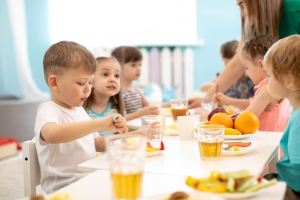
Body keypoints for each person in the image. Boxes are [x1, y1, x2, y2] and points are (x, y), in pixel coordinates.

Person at [34, 41, 128, 193]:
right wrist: (99, 124)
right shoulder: (48, 110)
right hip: (64, 188)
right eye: (81, 83)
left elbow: (97, 143)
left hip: (88, 179)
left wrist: (131, 136)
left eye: (90, 82)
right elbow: (52, 134)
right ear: (54, 83)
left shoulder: (79, 110)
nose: (88, 89)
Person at [189, 0, 300, 109]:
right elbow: (235, 66)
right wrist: (206, 98)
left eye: (242, 6)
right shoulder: (254, 26)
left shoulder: (295, 11)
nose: (242, 14)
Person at [215, 35, 290, 132]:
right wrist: (227, 100)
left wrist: (214, 120)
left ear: (261, 65)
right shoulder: (278, 86)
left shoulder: (267, 90)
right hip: (274, 143)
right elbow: (253, 104)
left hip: (266, 145)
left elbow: (242, 122)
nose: (246, 73)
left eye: (247, 67)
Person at [263, 35, 300, 200]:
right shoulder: (295, 109)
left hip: (291, 190)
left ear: (289, 81)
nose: (266, 80)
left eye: (269, 76)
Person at [83, 56, 142, 136]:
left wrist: (122, 125)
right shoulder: (82, 110)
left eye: (117, 76)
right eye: (105, 74)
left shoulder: (115, 109)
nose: (113, 79)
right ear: (91, 81)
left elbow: (120, 137)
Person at [111, 46, 160, 120]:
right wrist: (142, 113)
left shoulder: (137, 90)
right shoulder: (117, 92)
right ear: (118, 67)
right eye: (133, 65)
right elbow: (119, 118)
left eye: (140, 64)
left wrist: (170, 104)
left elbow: (150, 106)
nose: (138, 69)